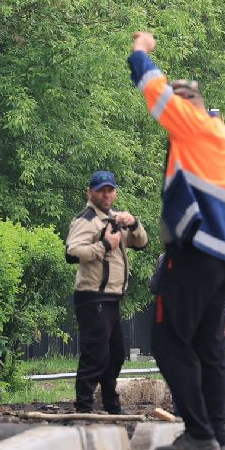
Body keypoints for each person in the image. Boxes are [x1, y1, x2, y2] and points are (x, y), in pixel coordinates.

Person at [129, 30, 225, 450]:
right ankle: (217, 434)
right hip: (222, 261)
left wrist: (141, 49)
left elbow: (152, 86)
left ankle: (197, 433)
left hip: (192, 253)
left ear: (188, 105)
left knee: (169, 342)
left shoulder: (189, 127)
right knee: (208, 347)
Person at [65, 171, 148, 414]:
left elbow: (141, 243)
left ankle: (111, 404)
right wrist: (104, 245)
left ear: (115, 192)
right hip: (92, 296)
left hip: (111, 298)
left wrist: (134, 223)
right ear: (90, 192)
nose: (106, 194)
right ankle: (84, 407)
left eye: (110, 190)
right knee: (96, 355)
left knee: (115, 356)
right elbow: (72, 252)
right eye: (101, 190)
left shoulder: (115, 219)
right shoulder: (86, 219)